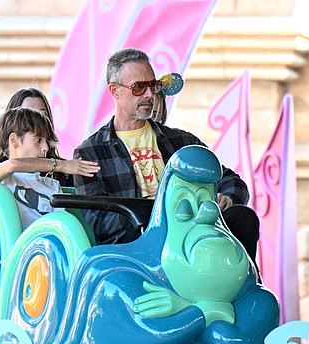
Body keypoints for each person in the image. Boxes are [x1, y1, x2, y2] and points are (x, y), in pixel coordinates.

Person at [73, 48, 260, 262]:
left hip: (191, 230)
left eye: (152, 86)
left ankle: (243, 288)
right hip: (137, 241)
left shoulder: (182, 142)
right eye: (139, 87)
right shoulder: (90, 152)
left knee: (243, 218)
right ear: (115, 91)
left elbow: (232, 181)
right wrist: (156, 214)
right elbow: (98, 220)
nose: (149, 95)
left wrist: (228, 198)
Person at [0, 107, 100, 229]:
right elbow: (12, 165)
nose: (45, 147)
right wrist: (61, 166)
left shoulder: (52, 186)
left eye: (47, 141)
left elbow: (59, 227)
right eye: (38, 140)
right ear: (14, 140)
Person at [5, 88, 73, 186]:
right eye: (28, 115)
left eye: (42, 115)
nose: (37, 121)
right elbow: (11, 165)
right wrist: (60, 166)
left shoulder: (65, 174)